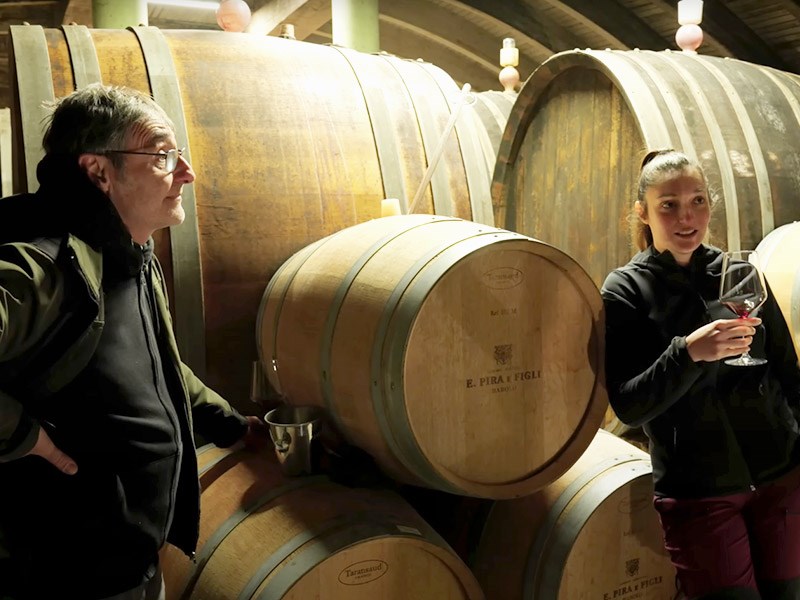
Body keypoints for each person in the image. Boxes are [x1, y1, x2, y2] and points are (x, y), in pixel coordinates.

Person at [0, 83, 267, 600]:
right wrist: (21, 434)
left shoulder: (129, 255)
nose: (187, 173)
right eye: (163, 155)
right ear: (99, 172)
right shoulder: (46, 265)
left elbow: (158, 367)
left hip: (134, 564)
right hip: (63, 578)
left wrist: (233, 426)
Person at [602, 149, 800, 600]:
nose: (686, 217)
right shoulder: (626, 289)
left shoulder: (740, 273)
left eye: (697, 201)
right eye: (668, 205)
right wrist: (688, 353)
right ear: (643, 213)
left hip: (781, 480)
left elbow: (788, 372)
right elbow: (629, 403)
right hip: (700, 493)